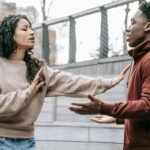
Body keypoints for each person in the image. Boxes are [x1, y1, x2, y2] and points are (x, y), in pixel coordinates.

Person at [0, 14, 129, 150]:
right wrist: (28, 92)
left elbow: (71, 81)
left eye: (31, 28)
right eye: (25, 29)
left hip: (27, 143)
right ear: (10, 34)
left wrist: (108, 82)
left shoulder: (38, 69)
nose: (32, 32)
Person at [69, 1, 150, 150]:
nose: (128, 28)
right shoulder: (140, 58)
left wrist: (104, 107)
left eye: (133, 23)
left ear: (147, 26)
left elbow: (147, 107)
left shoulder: (148, 60)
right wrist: (118, 118)